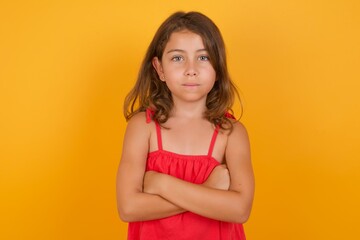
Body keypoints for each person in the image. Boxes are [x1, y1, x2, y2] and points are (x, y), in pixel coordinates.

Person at [116, 11, 255, 240]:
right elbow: (128, 208)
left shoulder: (232, 133)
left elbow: (239, 210)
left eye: (203, 57)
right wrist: (209, 189)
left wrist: (160, 183)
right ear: (159, 68)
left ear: (218, 68)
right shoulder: (143, 127)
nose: (191, 69)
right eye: (178, 58)